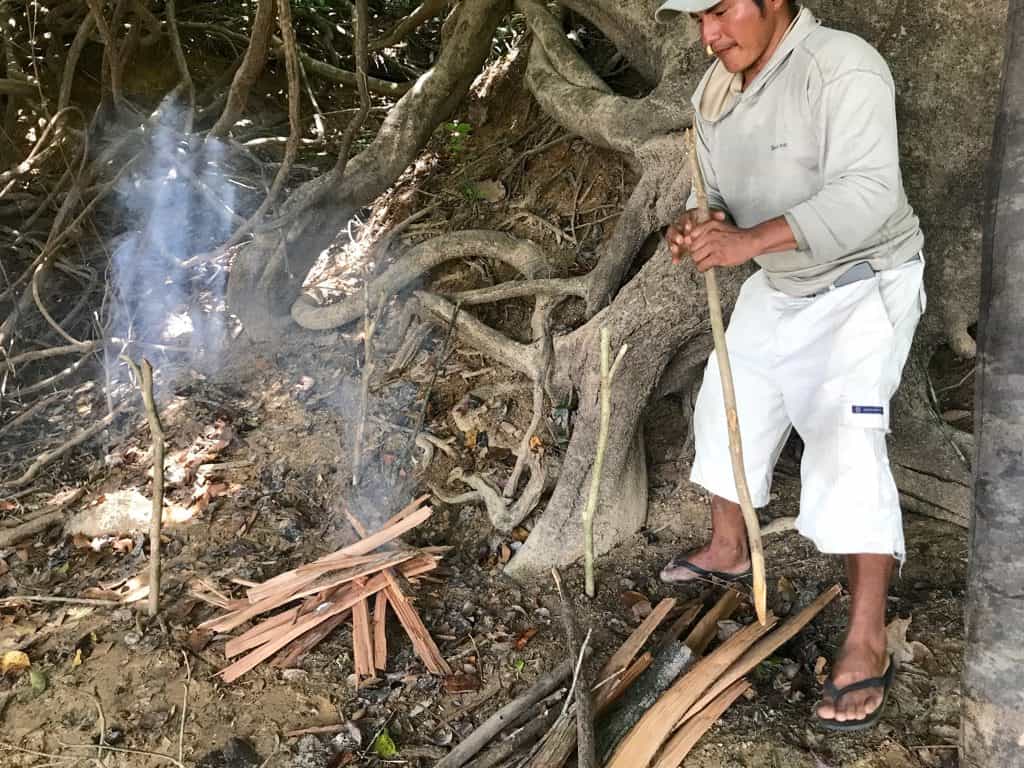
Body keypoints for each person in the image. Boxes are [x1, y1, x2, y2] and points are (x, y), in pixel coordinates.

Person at [655, 0, 926, 731]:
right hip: (782, 283)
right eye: (697, 21)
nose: (709, 35)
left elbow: (871, 196)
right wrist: (697, 227)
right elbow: (707, 194)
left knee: (848, 442)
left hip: (862, 283)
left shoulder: (842, 68)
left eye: (719, 11)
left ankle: (867, 638)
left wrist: (747, 245)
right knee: (725, 404)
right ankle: (728, 548)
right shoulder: (715, 90)